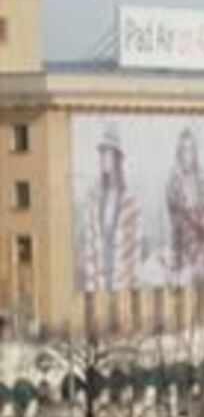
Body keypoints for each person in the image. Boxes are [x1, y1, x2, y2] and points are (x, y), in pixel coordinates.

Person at [78, 125, 143, 292]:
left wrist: (132, 283)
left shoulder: (130, 201)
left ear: (117, 158)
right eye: (101, 153)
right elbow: (89, 244)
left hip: (122, 281)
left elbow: (135, 249)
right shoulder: (93, 197)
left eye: (107, 153)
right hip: (99, 279)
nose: (102, 158)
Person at [165, 126, 204, 283]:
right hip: (184, 245)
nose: (187, 155)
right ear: (179, 153)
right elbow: (178, 222)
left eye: (190, 150)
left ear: (195, 153)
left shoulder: (203, 180)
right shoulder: (173, 183)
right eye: (183, 150)